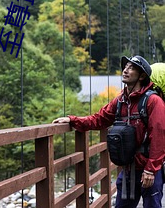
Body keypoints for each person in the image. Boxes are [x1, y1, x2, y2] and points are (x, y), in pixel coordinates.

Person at [52, 55, 165, 208]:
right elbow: (99, 119)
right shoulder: (120, 101)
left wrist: (151, 170)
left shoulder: (153, 101)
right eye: (125, 67)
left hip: (148, 169)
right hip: (128, 169)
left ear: (142, 76)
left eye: (131, 68)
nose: (125, 70)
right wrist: (72, 120)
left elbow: (159, 136)